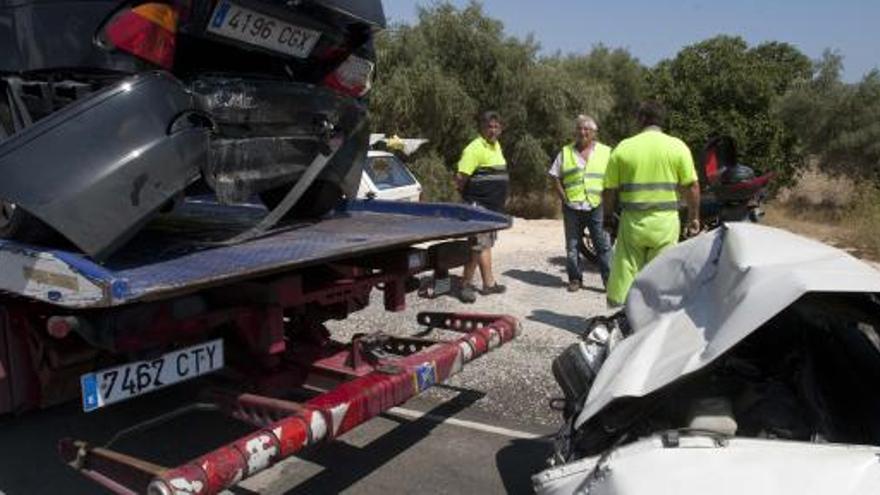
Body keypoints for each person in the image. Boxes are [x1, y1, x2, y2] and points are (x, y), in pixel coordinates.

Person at [602, 101, 700, 306]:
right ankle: (657, 319)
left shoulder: (624, 148)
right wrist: (693, 217)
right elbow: (692, 187)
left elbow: (609, 190)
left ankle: (621, 316)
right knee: (662, 273)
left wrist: (608, 217)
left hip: (632, 223)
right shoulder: (677, 146)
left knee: (626, 270)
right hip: (665, 224)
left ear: (641, 119)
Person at [548, 115, 612, 292]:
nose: (582, 132)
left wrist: (608, 201)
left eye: (586, 129)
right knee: (572, 245)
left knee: (602, 244)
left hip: (595, 205)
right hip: (572, 207)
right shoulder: (565, 152)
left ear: (594, 133)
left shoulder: (606, 152)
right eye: (579, 129)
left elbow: (613, 178)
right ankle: (575, 279)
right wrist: (563, 197)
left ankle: (609, 282)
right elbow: (554, 175)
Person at [455, 111, 509, 303]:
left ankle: (489, 283)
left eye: (496, 127)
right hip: (479, 207)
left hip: (493, 208)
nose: (493, 130)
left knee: (486, 245)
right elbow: (461, 177)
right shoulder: (474, 148)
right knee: (477, 247)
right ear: (482, 128)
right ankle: (465, 284)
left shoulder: (496, 146)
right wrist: (469, 201)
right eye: (489, 126)